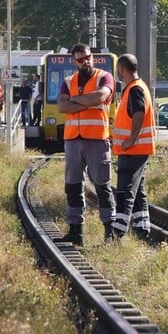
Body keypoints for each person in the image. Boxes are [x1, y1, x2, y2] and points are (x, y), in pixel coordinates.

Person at [56, 44, 115, 246]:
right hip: (73, 140)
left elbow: (100, 96)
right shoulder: (68, 81)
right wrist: (85, 101)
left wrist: (74, 101)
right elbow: (61, 106)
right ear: (74, 61)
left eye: (88, 57)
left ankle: (110, 231)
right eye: (81, 59)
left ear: (93, 57)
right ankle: (75, 231)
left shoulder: (104, 77)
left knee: (102, 186)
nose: (86, 61)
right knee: (72, 186)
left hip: (97, 138)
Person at [109, 53, 155, 240]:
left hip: (133, 150)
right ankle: (142, 228)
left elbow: (138, 114)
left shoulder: (135, 90)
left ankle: (118, 231)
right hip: (137, 150)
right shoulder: (138, 87)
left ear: (121, 69)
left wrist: (131, 140)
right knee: (138, 191)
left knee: (125, 190)